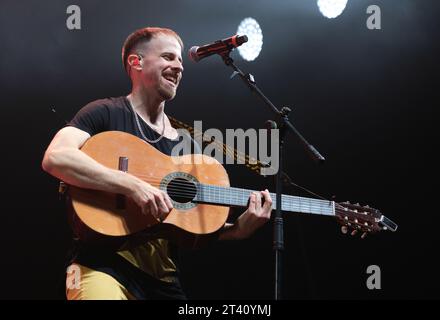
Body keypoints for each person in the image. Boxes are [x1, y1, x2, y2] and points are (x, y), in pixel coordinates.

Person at [42, 27, 273, 300]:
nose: (178, 67)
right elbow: (56, 157)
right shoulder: (104, 112)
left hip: (162, 280)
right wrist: (131, 185)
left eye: (180, 62)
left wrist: (235, 231)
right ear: (136, 62)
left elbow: (187, 224)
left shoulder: (187, 149)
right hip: (101, 264)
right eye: (168, 57)